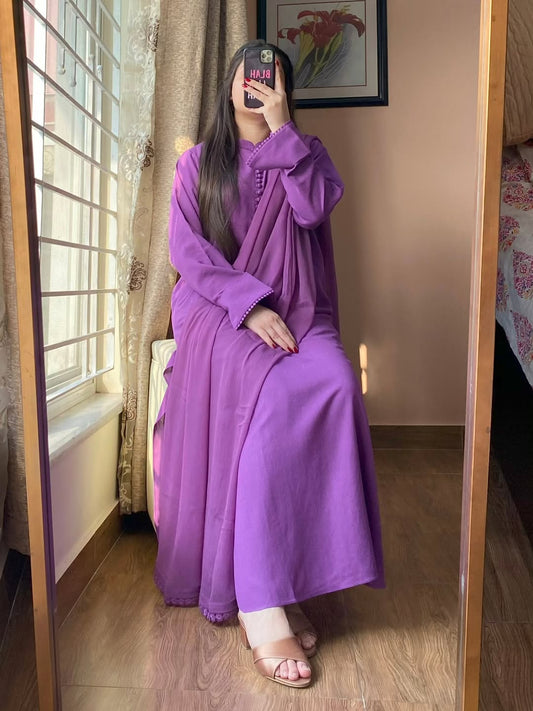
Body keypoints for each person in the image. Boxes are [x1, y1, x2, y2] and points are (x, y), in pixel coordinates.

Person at [152, 39, 385, 689]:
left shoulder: (306, 153)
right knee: (268, 399)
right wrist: (247, 305)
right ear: (230, 84)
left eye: (272, 73)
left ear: (284, 88)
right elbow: (187, 253)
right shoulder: (198, 163)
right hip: (218, 309)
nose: (258, 80)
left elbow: (311, 210)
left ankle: (287, 580)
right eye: (249, 71)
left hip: (300, 310)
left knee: (335, 384)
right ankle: (259, 604)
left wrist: (284, 131)